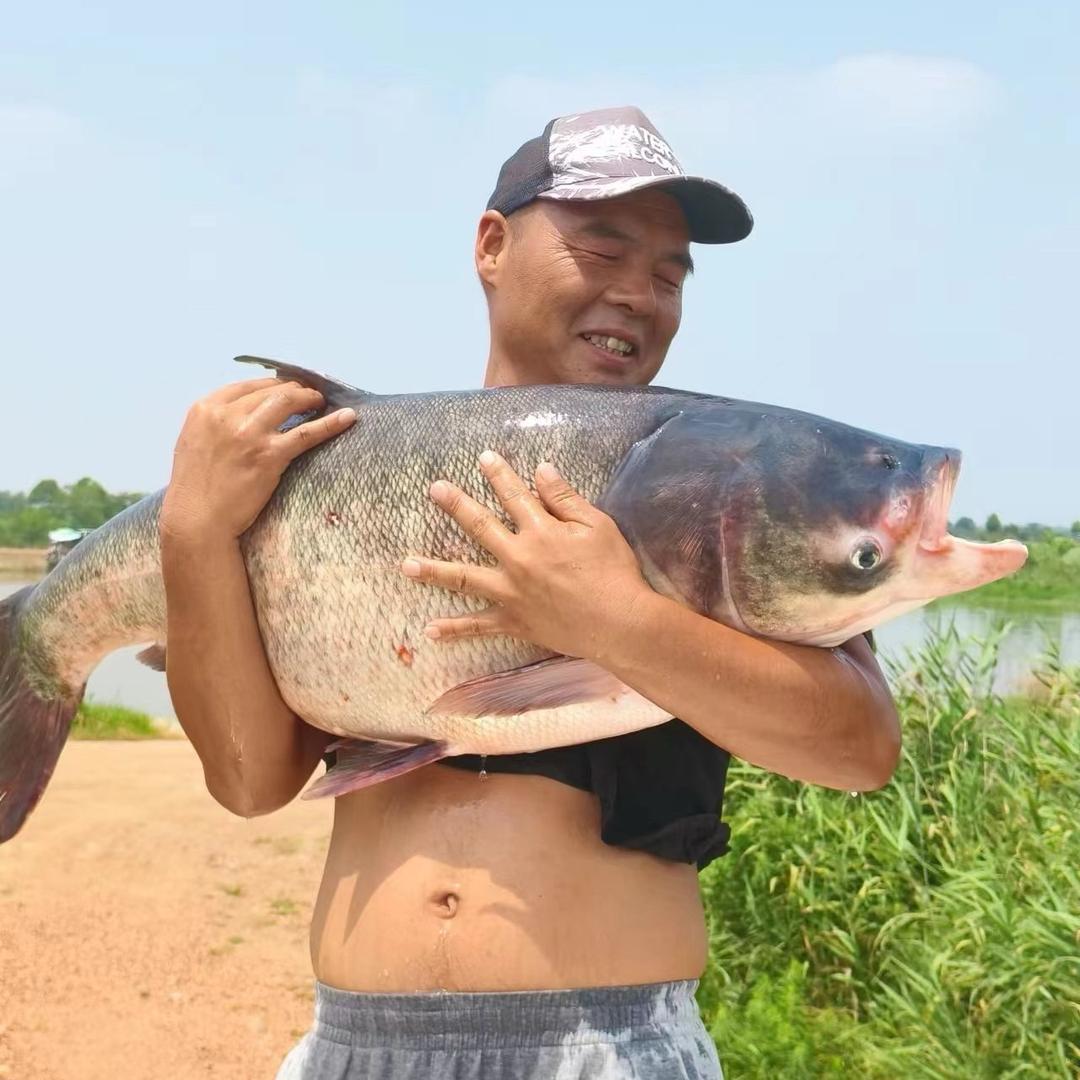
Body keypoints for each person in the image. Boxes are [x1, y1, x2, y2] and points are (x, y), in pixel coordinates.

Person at [160, 106, 900, 1080]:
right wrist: (190, 531)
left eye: (671, 275)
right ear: (492, 244)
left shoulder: (718, 488)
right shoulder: (336, 481)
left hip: (609, 1049)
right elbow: (249, 782)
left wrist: (616, 620)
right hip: (352, 1049)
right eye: (603, 248)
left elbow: (860, 749)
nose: (641, 293)